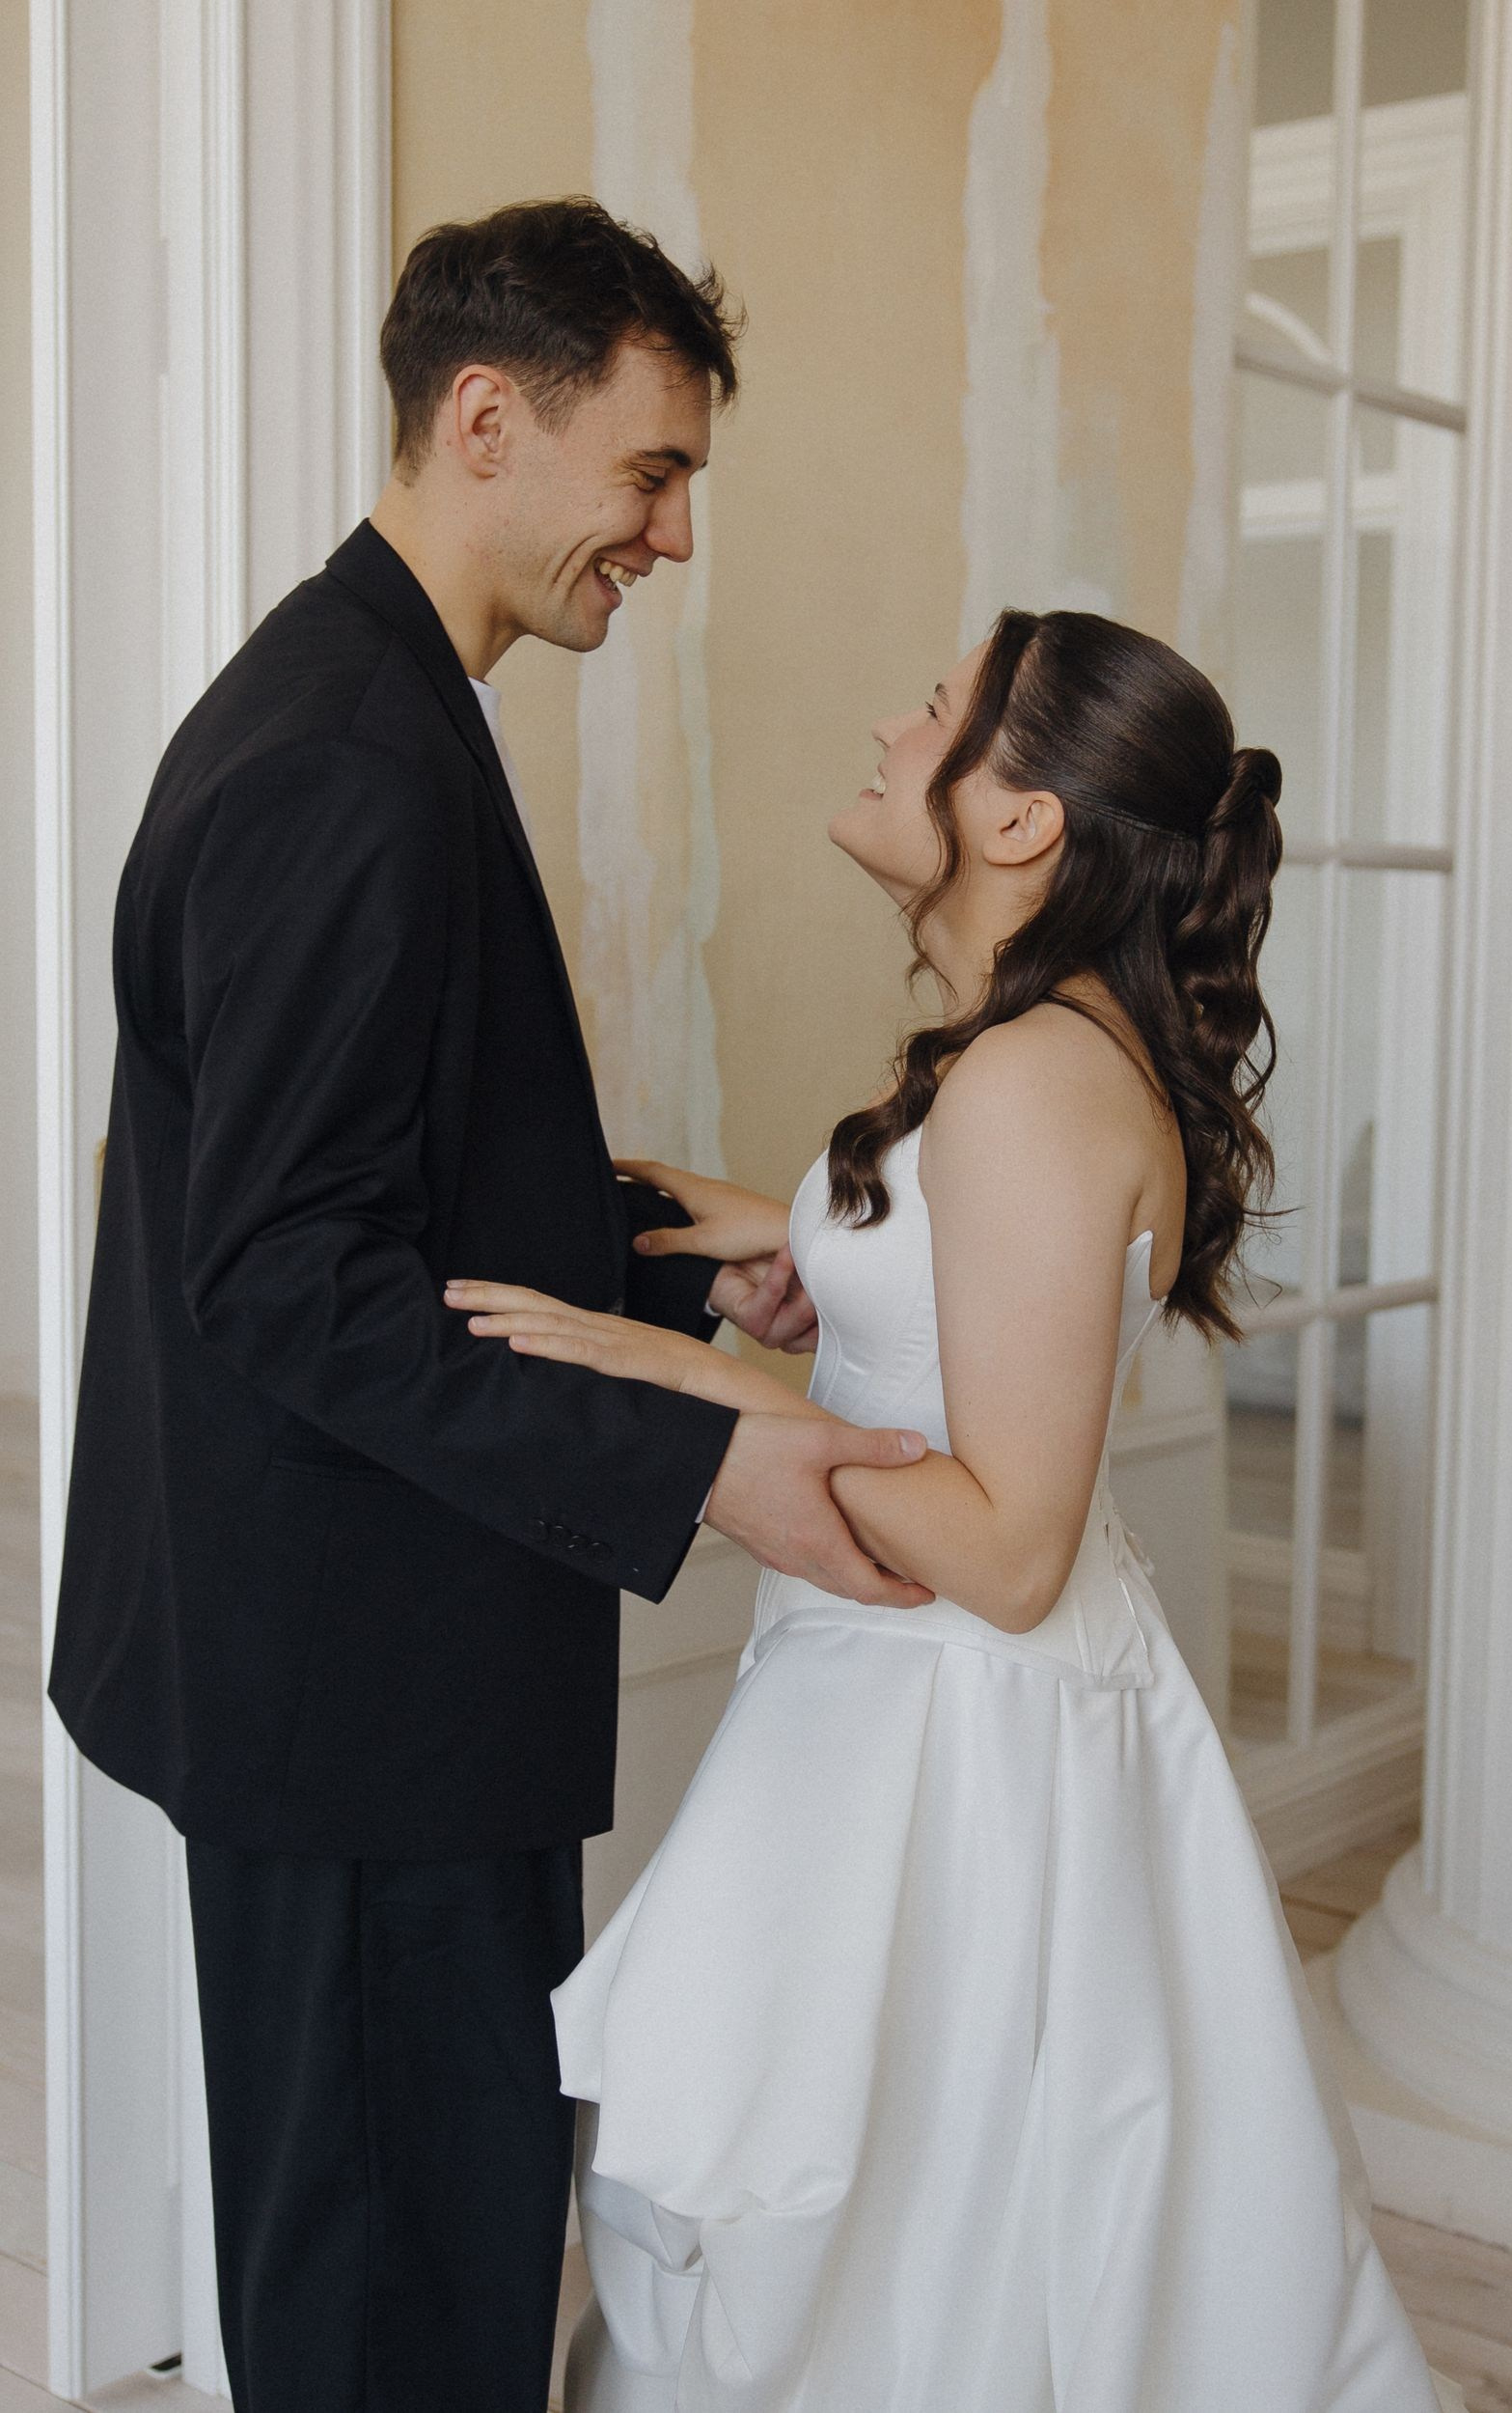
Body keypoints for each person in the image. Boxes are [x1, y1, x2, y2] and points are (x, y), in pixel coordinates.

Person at [46, 197, 931, 2413]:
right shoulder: (345, 757)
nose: (676, 534)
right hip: (362, 1688)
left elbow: (398, 1188)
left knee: (432, 2263)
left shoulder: (364, 700)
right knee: (400, 2302)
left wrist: (675, 1268)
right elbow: (291, 1278)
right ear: (482, 419)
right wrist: (701, 1452)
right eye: (652, 470)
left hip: (369, 1661)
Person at [449, 609, 1467, 2412]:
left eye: (933, 710)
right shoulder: (1032, 1056)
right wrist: (785, 1236)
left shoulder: (1029, 1085)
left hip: (959, 1734)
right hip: (896, 1698)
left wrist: (698, 1382)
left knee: (911, 2222)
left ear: (1019, 820)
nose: (886, 727)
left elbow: (1007, 1551)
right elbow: (958, 1288)